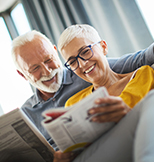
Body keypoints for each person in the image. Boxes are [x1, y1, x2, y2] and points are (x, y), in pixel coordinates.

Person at [11, 30, 154, 151]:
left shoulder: (88, 71)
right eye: (35, 68)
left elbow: (141, 59)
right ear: (23, 75)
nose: (47, 71)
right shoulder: (25, 115)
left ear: (55, 52)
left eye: (49, 59)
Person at [55, 24, 154, 161]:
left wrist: (128, 114)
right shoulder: (73, 103)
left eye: (85, 52)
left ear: (103, 47)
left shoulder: (144, 75)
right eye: (72, 62)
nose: (83, 64)